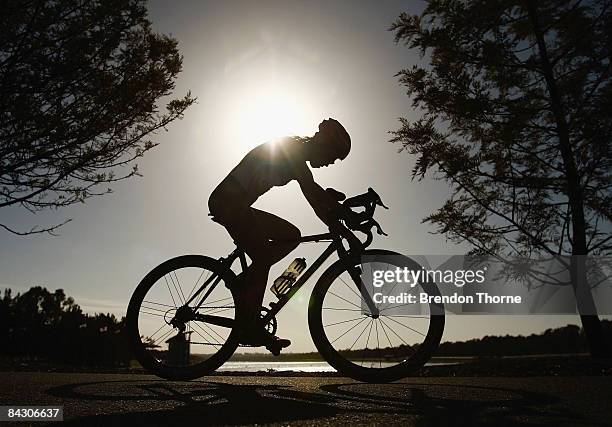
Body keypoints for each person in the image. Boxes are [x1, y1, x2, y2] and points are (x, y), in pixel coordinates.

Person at [208, 118, 360, 354]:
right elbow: (312, 194)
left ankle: (244, 281)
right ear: (323, 144)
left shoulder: (299, 156)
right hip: (229, 203)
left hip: (237, 204)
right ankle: (250, 324)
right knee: (263, 257)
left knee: (291, 236)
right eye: (333, 156)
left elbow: (314, 191)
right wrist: (343, 228)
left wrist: (340, 213)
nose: (331, 163)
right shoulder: (293, 150)